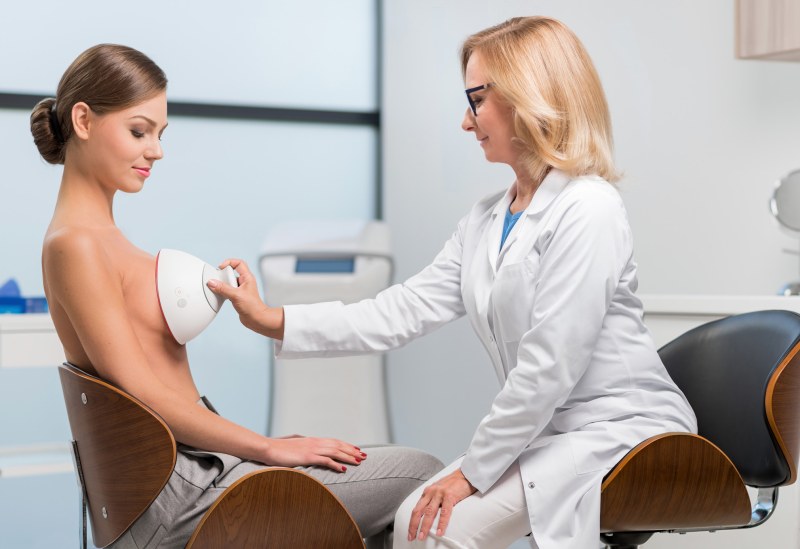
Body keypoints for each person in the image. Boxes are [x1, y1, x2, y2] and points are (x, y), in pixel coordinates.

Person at [207, 16, 698, 549]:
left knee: (438, 529)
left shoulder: (589, 209)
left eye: (477, 100)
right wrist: (270, 318)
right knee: (417, 518)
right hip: (549, 432)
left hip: (624, 431)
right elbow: (401, 309)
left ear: (529, 96)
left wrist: (471, 473)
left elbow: (549, 365)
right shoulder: (487, 219)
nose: (467, 122)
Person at [33, 43, 442, 549]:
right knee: (423, 474)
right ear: (83, 120)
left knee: (371, 493)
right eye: (139, 131)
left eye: (160, 134)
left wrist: (258, 447)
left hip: (192, 476)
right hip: (177, 496)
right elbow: (143, 391)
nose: (156, 150)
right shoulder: (75, 244)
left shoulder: (97, 238)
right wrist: (266, 447)